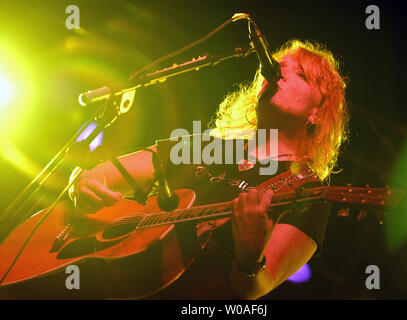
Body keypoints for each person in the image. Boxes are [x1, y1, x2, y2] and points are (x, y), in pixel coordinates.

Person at [69, 39, 349, 299]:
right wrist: (82, 183)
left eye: (298, 73)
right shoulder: (207, 145)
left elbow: (253, 290)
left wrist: (250, 258)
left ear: (318, 113)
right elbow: (106, 172)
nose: (275, 72)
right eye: (277, 66)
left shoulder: (309, 192)